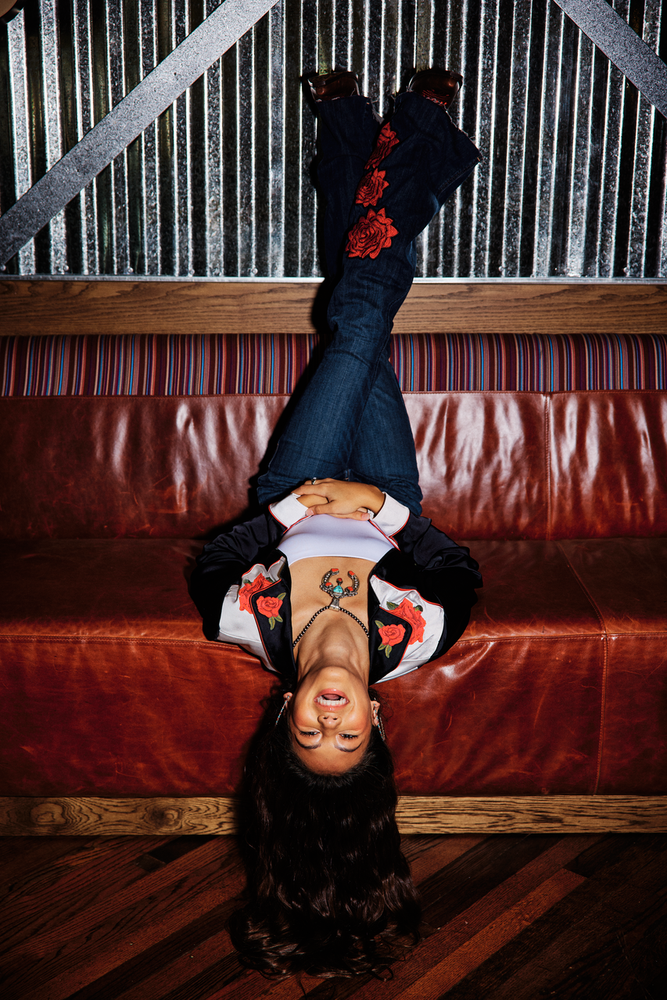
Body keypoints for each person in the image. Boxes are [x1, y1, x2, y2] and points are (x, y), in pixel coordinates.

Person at [189, 68, 483, 977]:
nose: (327, 721)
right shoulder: (416, 638)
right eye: (346, 737)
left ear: (280, 718)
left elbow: (218, 557)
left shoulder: (245, 620)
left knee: (354, 321)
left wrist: (289, 507)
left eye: (306, 737)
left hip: (301, 480)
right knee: (356, 318)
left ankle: (407, 127)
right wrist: (386, 509)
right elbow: (455, 565)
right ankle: (370, 127)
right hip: (384, 487)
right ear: (377, 724)